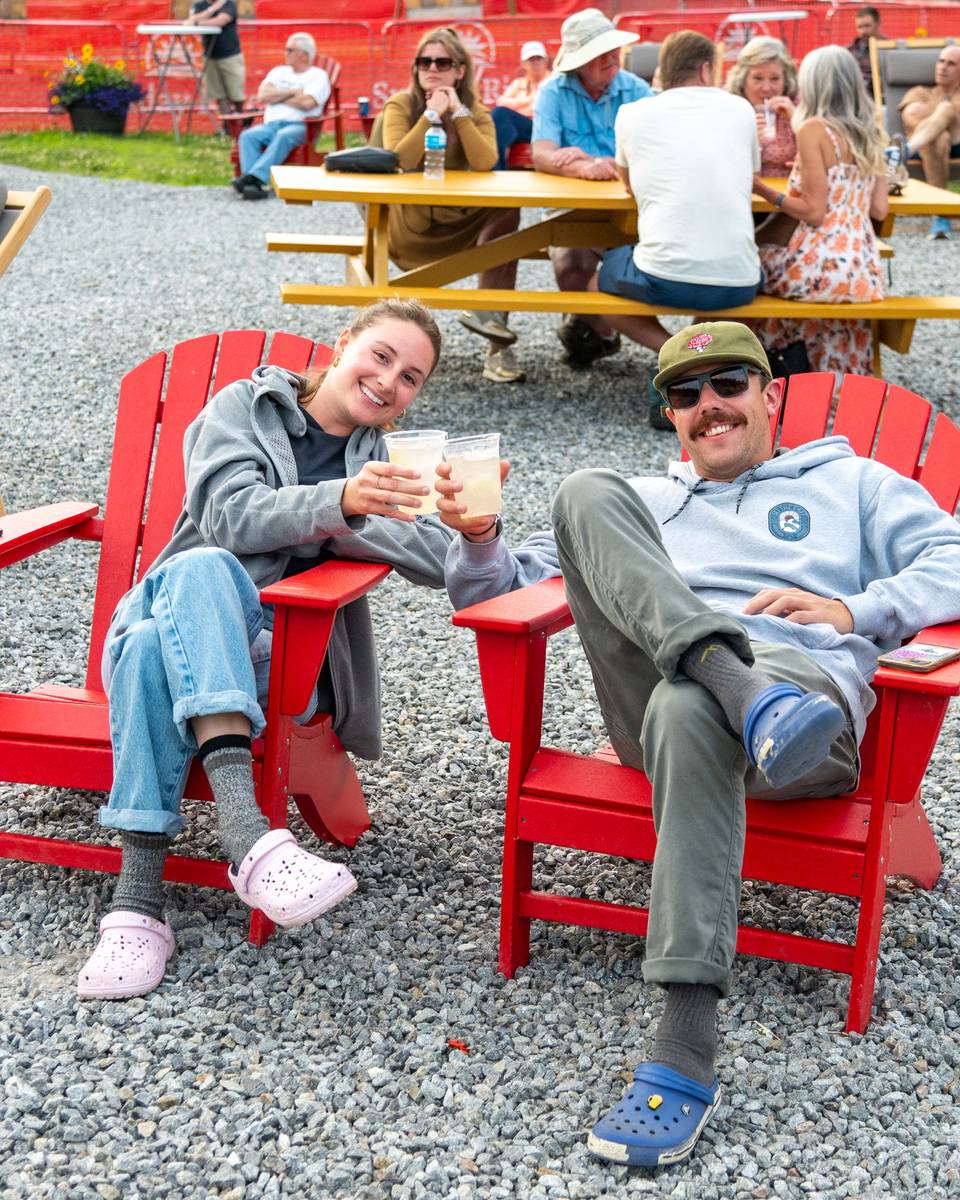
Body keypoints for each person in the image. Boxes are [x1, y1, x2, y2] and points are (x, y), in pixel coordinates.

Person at [440, 319, 960, 1169]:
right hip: (655, 709)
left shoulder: (855, 483)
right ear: (671, 416)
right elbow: (507, 587)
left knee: (690, 707)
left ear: (769, 394)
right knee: (582, 491)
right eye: (685, 395)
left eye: (727, 385)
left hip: (804, 720)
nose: (708, 406)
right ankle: (730, 680)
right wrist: (476, 536)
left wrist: (853, 612)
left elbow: (954, 553)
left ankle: (684, 1046)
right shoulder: (645, 501)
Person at [75, 300, 497, 1002]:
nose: (391, 381)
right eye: (382, 356)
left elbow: (444, 562)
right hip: (174, 613)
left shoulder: (390, 465)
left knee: (159, 645)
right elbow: (226, 515)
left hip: (278, 660)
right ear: (342, 344)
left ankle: (137, 907)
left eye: (412, 377)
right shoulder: (245, 406)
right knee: (202, 570)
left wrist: (476, 529)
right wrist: (341, 505)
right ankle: (248, 834)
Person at [586, 31, 761, 430]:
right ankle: (692, 360)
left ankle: (672, 356)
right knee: (712, 265)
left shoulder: (632, 112)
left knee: (596, 285)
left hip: (663, 276)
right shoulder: (740, 110)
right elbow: (748, 174)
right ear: (705, 68)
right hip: (739, 281)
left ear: (664, 71)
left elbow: (629, 185)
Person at [382, 26, 524, 385]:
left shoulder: (475, 111)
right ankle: (383, 347)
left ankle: (492, 335)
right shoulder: (402, 104)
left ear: (460, 70)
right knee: (506, 232)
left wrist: (458, 113)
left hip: (462, 222)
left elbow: (485, 161)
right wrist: (430, 115)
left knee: (510, 213)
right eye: (424, 61)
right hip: (412, 226)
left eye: (442, 62)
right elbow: (399, 157)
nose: (431, 69)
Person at [752, 45, 888, 376]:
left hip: (821, 264)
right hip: (863, 269)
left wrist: (761, 189)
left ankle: (778, 373)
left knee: (749, 268)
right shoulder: (874, 130)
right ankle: (836, 377)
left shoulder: (813, 129)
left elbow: (813, 212)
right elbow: (879, 210)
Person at [531, 8, 652, 368]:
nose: (612, 57)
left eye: (613, 49)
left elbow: (658, 155)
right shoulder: (552, 90)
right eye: (600, 53)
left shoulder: (638, 89)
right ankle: (601, 331)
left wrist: (597, 163)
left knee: (649, 268)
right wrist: (587, 167)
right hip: (574, 210)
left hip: (630, 211)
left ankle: (593, 330)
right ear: (578, 63)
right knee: (570, 268)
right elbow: (542, 153)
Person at [234, 32, 331, 201]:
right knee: (247, 136)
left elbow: (308, 103)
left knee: (283, 136)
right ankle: (252, 185)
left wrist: (277, 97)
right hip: (271, 125)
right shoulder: (278, 72)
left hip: (302, 126)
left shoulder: (318, 76)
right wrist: (293, 93)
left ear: (304, 54)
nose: (285, 53)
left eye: (290, 50)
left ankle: (254, 178)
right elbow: (263, 96)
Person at [900, 43, 960, 238]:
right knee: (938, 138)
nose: (943, 67)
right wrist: (943, 117)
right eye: (941, 61)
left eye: (951, 63)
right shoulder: (918, 92)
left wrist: (940, 111)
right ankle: (940, 215)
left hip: (957, 145)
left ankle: (905, 151)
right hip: (929, 147)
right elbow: (909, 116)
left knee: (946, 110)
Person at [726, 36, 798, 176]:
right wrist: (749, 144)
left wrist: (797, 121)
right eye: (758, 78)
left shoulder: (797, 103)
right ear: (743, 79)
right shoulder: (730, 106)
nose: (766, 88)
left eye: (775, 78)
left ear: (785, 78)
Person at [489, 40, 551, 169]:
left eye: (538, 58)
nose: (535, 63)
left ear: (545, 61)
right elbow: (501, 102)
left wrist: (517, 105)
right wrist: (527, 101)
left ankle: (496, 169)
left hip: (543, 126)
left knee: (501, 115)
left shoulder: (552, 81)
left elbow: (539, 107)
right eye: (531, 60)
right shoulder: (519, 83)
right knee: (498, 116)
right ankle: (497, 167)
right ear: (523, 64)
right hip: (521, 126)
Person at [184, 0, 245, 118]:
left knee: (236, 94)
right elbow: (192, 19)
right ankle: (227, 125)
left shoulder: (228, 3)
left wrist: (198, 22)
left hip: (230, 54)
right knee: (218, 94)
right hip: (210, 55)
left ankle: (241, 120)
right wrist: (213, 9)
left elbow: (221, 21)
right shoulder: (199, 5)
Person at [847, 6, 883, 94]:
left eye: (867, 26)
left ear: (878, 24)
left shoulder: (890, 49)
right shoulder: (849, 52)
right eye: (859, 27)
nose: (863, 32)